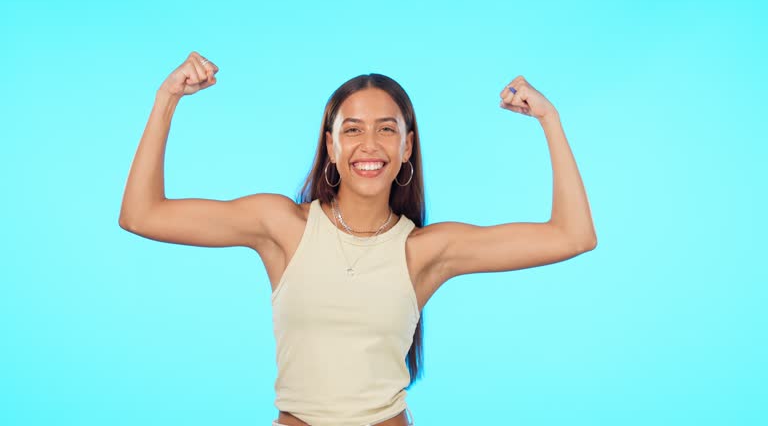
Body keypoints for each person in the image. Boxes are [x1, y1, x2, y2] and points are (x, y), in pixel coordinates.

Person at [119, 51, 597, 426]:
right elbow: (142, 215)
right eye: (352, 130)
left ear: (407, 146)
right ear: (331, 144)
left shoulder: (424, 252)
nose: (369, 145)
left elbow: (572, 235)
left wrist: (549, 120)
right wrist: (167, 98)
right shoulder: (283, 227)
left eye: (387, 130)